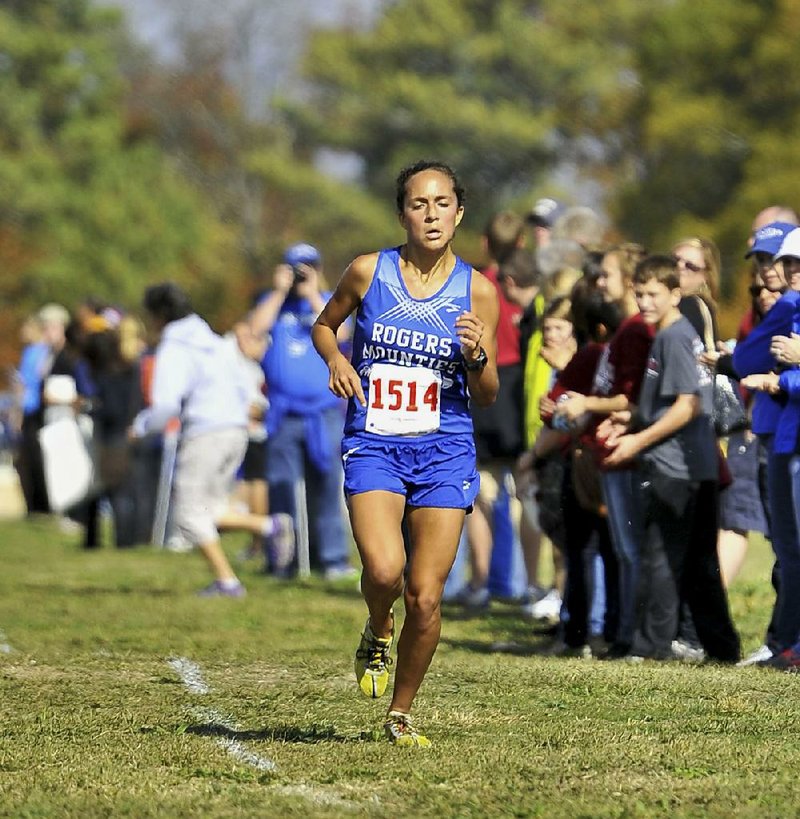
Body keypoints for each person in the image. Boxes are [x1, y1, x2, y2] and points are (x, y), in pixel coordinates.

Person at [311, 160, 499, 747]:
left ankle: (400, 712)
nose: (432, 214)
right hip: (376, 442)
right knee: (386, 570)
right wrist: (338, 360)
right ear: (402, 214)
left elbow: (487, 395)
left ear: (459, 212)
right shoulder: (369, 271)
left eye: (443, 203)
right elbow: (324, 325)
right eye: (419, 204)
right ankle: (375, 627)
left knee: (426, 593)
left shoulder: (478, 291)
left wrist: (476, 358)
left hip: (445, 446)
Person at [602, 255, 740, 663]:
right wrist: (627, 421)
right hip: (694, 466)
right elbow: (665, 403)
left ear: (675, 294)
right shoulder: (668, 335)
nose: (644, 302)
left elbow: (688, 406)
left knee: (660, 558)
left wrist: (637, 442)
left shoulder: (673, 337)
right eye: (639, 294)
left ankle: (649, 648)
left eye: (653, 294)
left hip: (678, 468)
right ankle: (722, 647)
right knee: (699, 562)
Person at [132, 283, 293, 597]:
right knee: (211, 508)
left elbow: (166, 405)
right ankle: (269, 527)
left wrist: (141, 428)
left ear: (159, 316)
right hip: (235, 430)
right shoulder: (214, 340)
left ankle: (227, 581)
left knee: (187, 514)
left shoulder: (175, 347)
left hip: (205, 432)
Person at [249, 243, 352, 580]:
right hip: (283, 412)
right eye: (295, 268)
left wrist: (311, 294)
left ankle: (332, 558)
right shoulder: (272, 303)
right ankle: (283, 559)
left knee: (325, 484)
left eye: (307, 268)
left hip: (323, 413)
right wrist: (279, 292)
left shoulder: (327, 302)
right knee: (281, 486)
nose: (300, 274)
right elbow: (254, 330)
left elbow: (345, 332)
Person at [455, 211, 526, 610]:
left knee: (480, 494)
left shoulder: (471, 284)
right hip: (516, 394)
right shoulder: (527, 287)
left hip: (482, 383)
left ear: (484, 243)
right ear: (521, 245)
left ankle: (481, 581)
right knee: (517, 495)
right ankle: (516, 581)